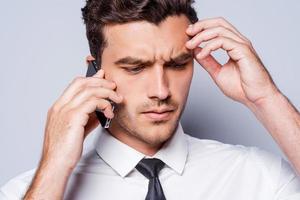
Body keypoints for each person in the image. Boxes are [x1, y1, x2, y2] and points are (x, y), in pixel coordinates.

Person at [1, 0, 300, 199]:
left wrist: (265, 98)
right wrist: (54, 165)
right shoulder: (27, 192)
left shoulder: (260, 178)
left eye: (177, 65)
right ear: (94, 70)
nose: (161, 90)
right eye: (136, 68)